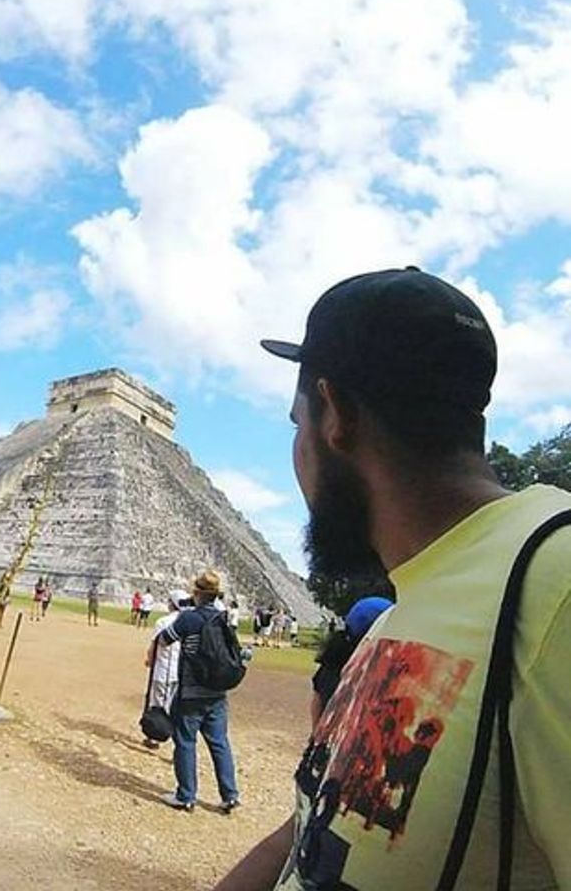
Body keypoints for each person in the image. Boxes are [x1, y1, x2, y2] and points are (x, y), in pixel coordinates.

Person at [214, 267, 571, 890]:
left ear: (334, 414)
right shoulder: (403, 611)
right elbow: (319, 825)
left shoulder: (554, 582)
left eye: (296, 422)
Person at [158, 570, 241, 815]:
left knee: (185, 741)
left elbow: (164, 640)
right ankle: (230, 795)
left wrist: (183, 617)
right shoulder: (223, 618)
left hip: (191, 693)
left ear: (197, 593)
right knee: (219, 743)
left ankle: (186, 796)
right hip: (217, 692)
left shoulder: (189, 619)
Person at [309, 595, 393, 728]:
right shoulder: (378, 668)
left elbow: (318, 699)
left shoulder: (334, 659)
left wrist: (315, 734)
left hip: (325, 740)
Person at [142, 589, 190, 749]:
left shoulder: (163, 622)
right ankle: (174, 737)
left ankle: (155, 736)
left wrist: (149, 659)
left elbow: (154, 645)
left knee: (158, 704)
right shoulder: (188, 621)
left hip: (163, 670)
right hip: (180, 672)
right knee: (173, 705)